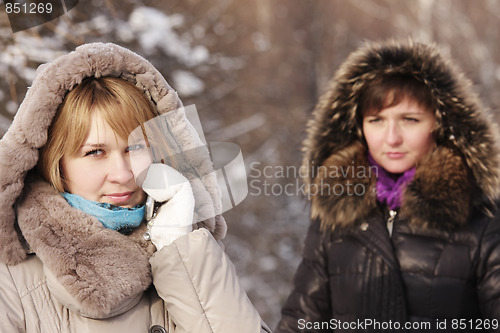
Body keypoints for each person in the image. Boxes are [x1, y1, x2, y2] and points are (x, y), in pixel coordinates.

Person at [0, 42, 271, 333]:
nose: (123, 173)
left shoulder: (194, 253)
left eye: (136, 147)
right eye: (95, 152)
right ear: (55, 164)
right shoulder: (11, 283)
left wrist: (180, 250)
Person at [276, 40, 500, 332]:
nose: (391, 138)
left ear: (441, 123)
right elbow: (301, 322)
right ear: (359, 127)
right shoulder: (336, 214)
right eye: (377, 120)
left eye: (409, 119)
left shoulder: (482, 216)